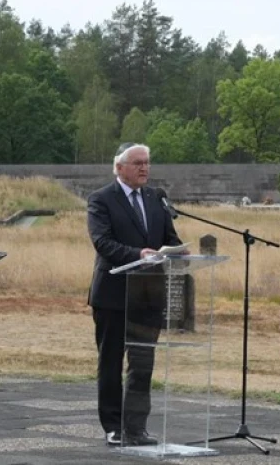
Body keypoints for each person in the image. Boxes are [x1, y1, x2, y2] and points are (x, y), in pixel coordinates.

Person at [87, 142, 183, 447]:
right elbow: (102, 242)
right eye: (138, 163)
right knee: (112, 362)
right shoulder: (101, 199)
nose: (145, 168)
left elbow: (170, 237)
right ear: (119, 168)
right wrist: (137, 254)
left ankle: (136, 427)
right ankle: (113, 426)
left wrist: (179, 251)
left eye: (147, 163)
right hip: (113, 293)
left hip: (148, 294)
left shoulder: (156, 199)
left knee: (142, 365)